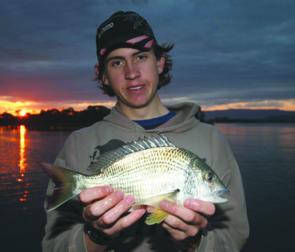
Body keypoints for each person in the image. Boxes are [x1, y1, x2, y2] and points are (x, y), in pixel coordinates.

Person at [42, 10, 249, 252]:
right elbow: (53, 246)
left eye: (140, 57)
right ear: (104, 76)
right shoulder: (78, 144)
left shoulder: (212, 140)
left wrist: (195, 242)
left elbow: (233, 239)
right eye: (117, 62)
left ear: (159, 62)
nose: (131, 73)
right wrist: (95, 235)